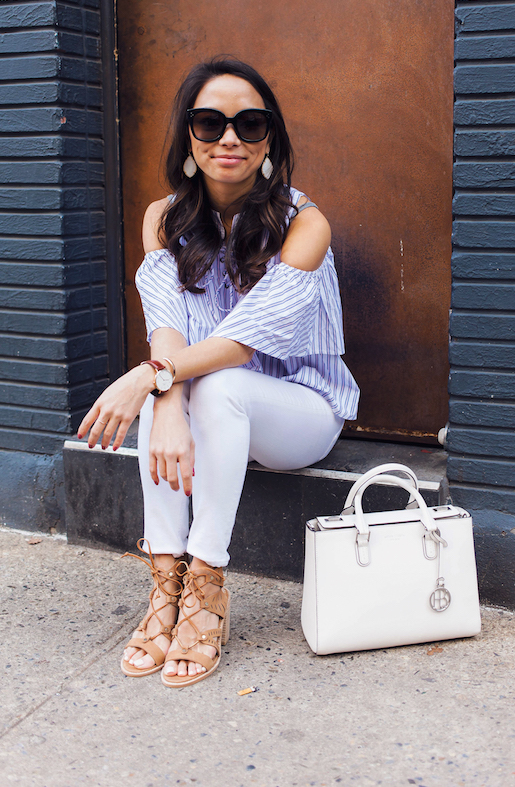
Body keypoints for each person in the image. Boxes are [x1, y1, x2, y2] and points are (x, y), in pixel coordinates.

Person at [78, 57, 360, 688]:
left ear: (269, 141)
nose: (229, 138)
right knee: (166, 393)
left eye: (249, 124)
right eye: (210, 123)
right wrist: (163, 390)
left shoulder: (304, 224)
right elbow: (168, 331)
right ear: (188, 140)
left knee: (206, 383)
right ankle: (164, 592)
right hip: (211, 401)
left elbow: (237, 347)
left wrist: (153, 374)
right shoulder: (163, 218)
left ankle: (206, 592)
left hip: (301, 410)